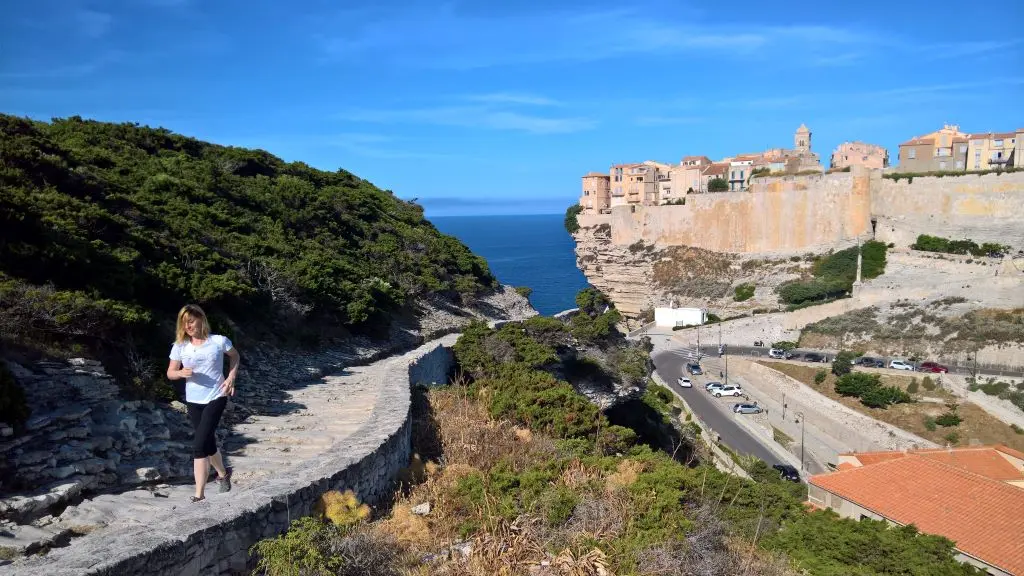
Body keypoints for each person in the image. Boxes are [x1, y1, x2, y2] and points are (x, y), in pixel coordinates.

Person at [166, 304, 241, 502]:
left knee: (198, 445)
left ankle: (199, 495)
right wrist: (180, 373)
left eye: (191, 321)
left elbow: (235, 356)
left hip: (216, 396)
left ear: (201, 319)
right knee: (208, 442)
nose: (188, 326)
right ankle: (224, 474)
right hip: (193, 400)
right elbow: (170, 372)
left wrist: (231, 376)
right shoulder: (180, 346)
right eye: (184, 323)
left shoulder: (218, 341)